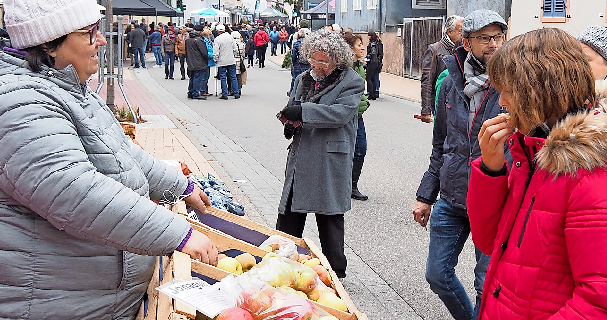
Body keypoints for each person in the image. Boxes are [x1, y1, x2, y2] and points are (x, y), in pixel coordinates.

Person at [0, 0, 218, 318]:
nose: (101, 40)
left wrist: (181, 186)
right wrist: (177, 233)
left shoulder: (72, 91)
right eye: (90, 32)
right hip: (55, 304)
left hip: (94, 299)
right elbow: (74, 190)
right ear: (49, 43)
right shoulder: (22, 102)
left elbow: (124, 154)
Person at [468, 27, 607, 318]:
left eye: (509, 90)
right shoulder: (534, 150)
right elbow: (489, 240)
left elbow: (597, 302)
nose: (502, 102)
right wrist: (492, 168)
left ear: (542, 89)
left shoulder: (589, 173)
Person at [412, 9, 508, 320]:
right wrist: (426, 195)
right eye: (484, 38)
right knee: (437, 275)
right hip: (452, 198)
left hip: (495, 201)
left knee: (486, 284)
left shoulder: (513, 84)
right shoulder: (450, 82)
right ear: (466, 43)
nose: (493, 44)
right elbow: (440, 143)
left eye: (498, 37)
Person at [275, 29, 364, 279]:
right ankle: (282, 263)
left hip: (329, 158)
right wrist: (289, 121)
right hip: (301, 155)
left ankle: (336, 271)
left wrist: (302, 112)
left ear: (337, 59)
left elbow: (341, 114)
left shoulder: (352, 81)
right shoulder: (303, 78)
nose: (317, 65)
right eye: (313, 60)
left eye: (322, 61)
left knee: (329, 218)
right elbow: (293, 107)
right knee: (289, 215)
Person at [419, 15, 464, 123]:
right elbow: (427, 80)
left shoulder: (463, 50)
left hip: (459, 102)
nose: (463, 35)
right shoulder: (435, 50)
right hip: (440, 102)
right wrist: (426, 110)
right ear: (449, 31)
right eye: (460, 31)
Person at [343, 32, 370, 201]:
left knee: (360, 149)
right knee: (343, 151)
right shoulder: (343, 68)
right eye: (359, 44)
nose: (362, 47)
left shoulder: (359, 66)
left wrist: (364, 102)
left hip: (357, 116)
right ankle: (342, 186)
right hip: (344, 116)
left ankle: (352, 186)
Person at [213, 24, 240, 100]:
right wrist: (233, 56)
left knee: (223, 77)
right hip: (231, 60)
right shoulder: (230, 37)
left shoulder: (217, 39)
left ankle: (225, 94)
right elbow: (235, 49)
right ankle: (236, 93)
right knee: (233, 77)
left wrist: (215, 59)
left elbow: (216, 52)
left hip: (221, 61)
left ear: (218, 31)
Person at [185, 25, 209, 100]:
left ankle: (190, 92)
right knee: (197, 78)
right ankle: (196, 93)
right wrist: (206, 59)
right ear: (200, 31)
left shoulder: (188, 39)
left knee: (192, 77)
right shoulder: (199, 40)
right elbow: (204, 52)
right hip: (199, 61)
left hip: (190, 61)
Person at [287, 28, 310, 97]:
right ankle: (305, 92)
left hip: (298, 63)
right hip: (307, 63)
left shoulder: (296, 44)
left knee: (295, 78)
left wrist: (293, 63)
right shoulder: (308, 43)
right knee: (306, 78)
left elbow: (293, 55)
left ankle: (292, 92)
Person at [365, 31, 383, 100]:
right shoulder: (377, 43)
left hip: (372, 62)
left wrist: (368, 58)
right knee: (374, 78)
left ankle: (371, 93)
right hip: (376, 63)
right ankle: (374, 93)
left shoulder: (372, 44)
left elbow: (372, 53)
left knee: (369, 78)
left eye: (368, 35)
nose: (367, 37)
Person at [229, 31, 246, 96]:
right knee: (238, 75)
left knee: (232, 76)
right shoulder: (242, 44)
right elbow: (243, 54)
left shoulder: (231, 44)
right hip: (239, 60)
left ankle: (232, 89)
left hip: (232, 60)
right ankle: (239, 89)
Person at [201, 27, 215, 97]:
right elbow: (206, 52)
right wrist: (214, 55)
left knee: (206, 76)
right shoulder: (205, 42)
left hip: (208, 61)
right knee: (205, 77)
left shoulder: (207, 41)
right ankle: (203, 91)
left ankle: (205, 90)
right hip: (206, 61)